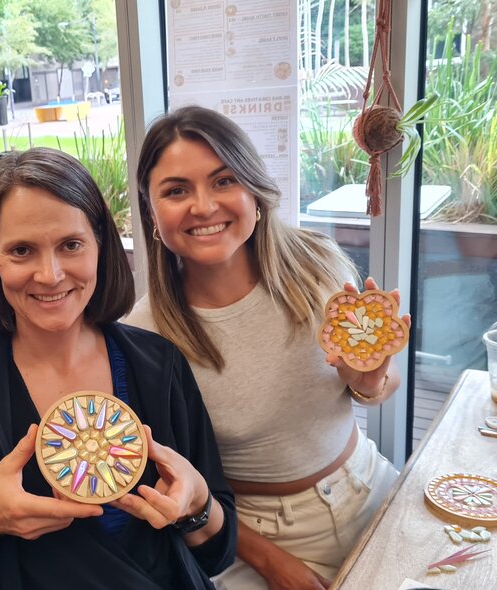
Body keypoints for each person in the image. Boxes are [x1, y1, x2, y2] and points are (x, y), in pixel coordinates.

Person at [0, 147, 237, 589]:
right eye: (22, 250)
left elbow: (217, 551)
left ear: (100, 243)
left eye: (71, 245)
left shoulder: (158, 364)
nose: (49, 275)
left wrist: (195, 501)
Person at [124, 106, 408, 590]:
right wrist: (273, 563)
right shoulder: (146, 336)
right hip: (252, 542)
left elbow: (375, 385)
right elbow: (176, 485)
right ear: (152, 211)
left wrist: (369, 381)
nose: (203, 206)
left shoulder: (317, 263)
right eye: (176, 190)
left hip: (369, 487)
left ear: (253, 192)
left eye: (223, 180)